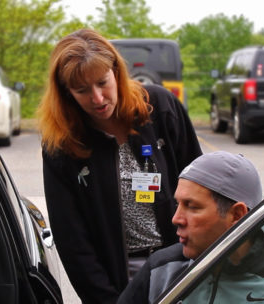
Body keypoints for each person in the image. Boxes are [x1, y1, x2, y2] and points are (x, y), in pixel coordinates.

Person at [36, 28, 202, 304]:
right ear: (66, 93)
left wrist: (203, 265)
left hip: (183, 268)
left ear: (116, 72)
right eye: (82, 90)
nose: (98, 98)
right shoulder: (62, 145)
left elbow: (202, 190)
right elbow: (73, 241)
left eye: (103, 82)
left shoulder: (160, 108)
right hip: (117, 283)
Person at [118, 151, 264, 304]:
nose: (176, 218)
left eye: (192, 206)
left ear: (237, 215)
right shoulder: (161, 270)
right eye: (177, 204)